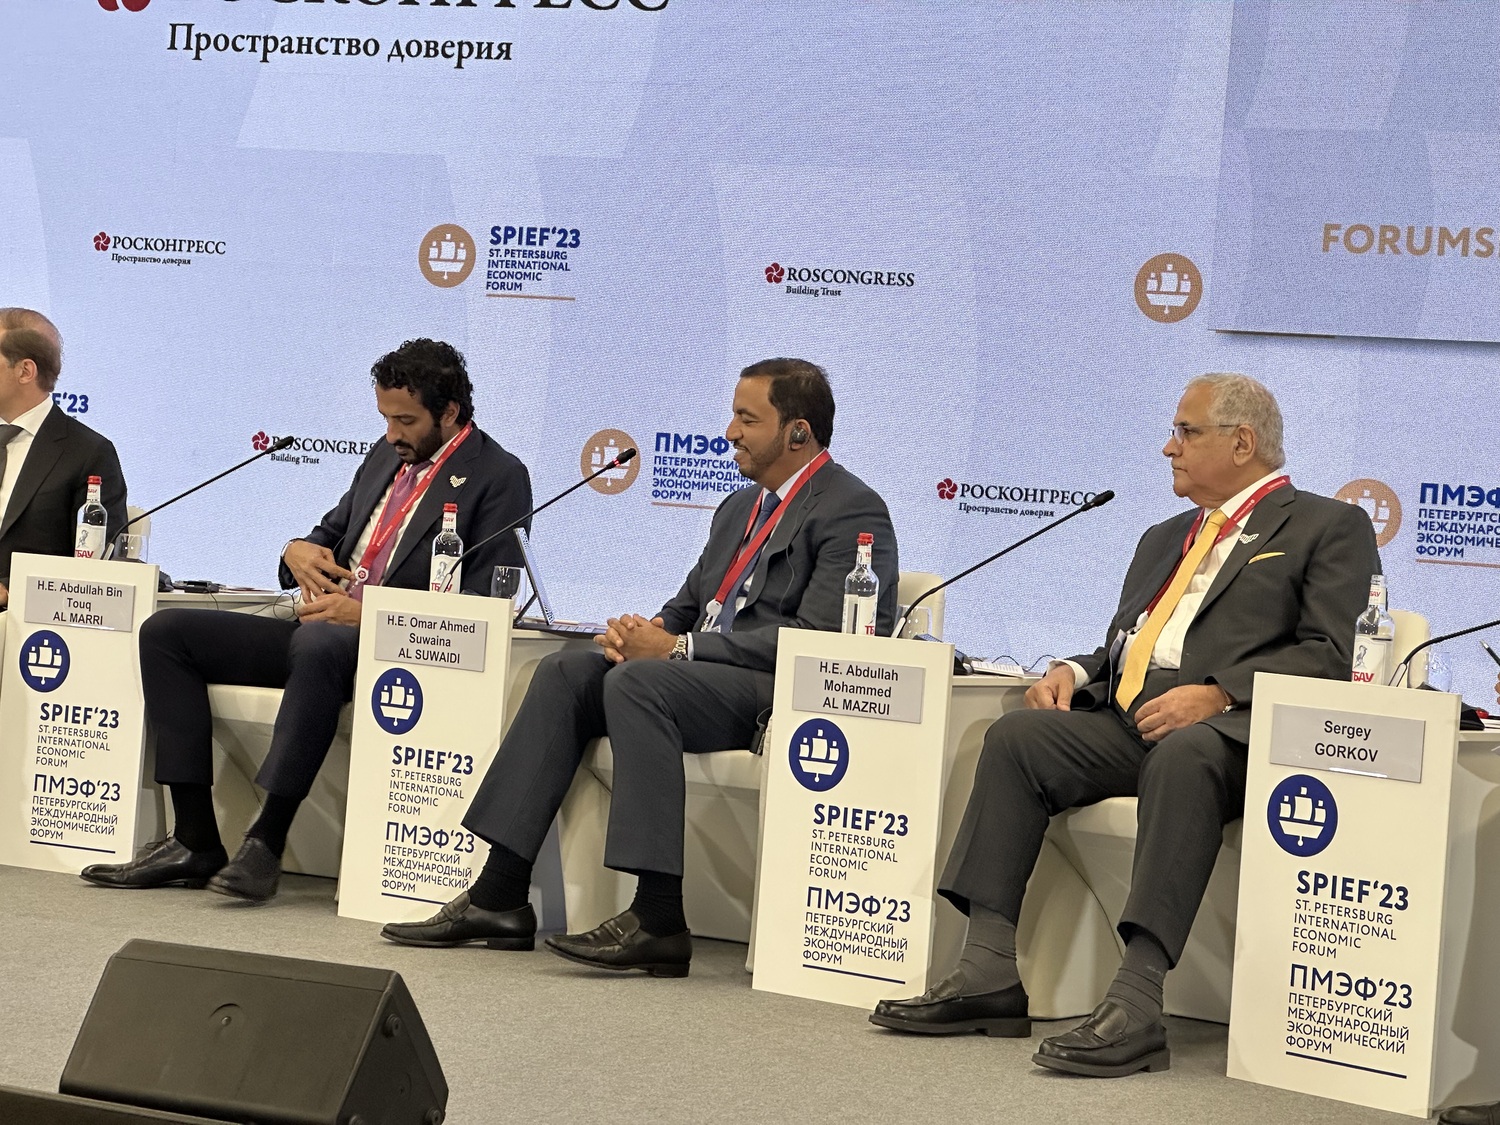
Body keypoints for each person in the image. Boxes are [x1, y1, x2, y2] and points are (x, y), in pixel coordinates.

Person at [870, 373, 1381, 1077]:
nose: (1169, 447)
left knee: (1184, 754)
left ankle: (1137, 1000)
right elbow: (1131, 644)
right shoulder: (1164, 536)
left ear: (1243, 443)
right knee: (1017, 739)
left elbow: (1333, 654)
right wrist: (1074, 673)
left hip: (1239, 734)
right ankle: (987, 970)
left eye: (1186, 432)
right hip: (1131, 718)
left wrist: (1220, 694)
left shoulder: (1326, 526)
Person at [380, 357, 898, 976]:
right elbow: (690, 604)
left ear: (798, 432)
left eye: (747, 418)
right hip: (692, 675)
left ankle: (658, 917)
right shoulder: (739, 507)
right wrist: (641, 634)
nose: (730, 432)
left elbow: (821, 640)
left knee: (639, 682)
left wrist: (677, 650)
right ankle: (499, 895)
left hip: (774, 690)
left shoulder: (850, 508)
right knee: (568, 673)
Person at [80, 338, 532, 901]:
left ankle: (266, 840)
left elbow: (488, 604)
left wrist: (369, 615)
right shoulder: (385, 456)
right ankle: (193, 838)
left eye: (405, 421)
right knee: (168, 633)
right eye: (385, 418)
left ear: (449, 412)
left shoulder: (498, 475)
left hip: (403, 650)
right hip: (319, 628)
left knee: (320, 644)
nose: (392, 433)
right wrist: (295, 550)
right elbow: (330, 535)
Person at [0, 307, 127, 607]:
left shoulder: (88, 453)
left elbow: (99, 568)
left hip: (26, 619)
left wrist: (9, 590)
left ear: (25, 371)